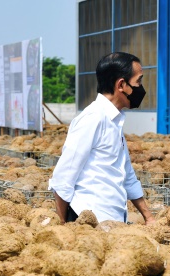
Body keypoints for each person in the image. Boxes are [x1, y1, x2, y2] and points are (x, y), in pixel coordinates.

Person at [49, 52, 154, 225]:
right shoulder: (92, 118)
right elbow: (64, 176)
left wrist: (149, 218)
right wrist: (61, 225)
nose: (140, 88)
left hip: (113, 221)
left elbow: (127, 175)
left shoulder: (115, 120)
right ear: (121, 84)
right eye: (138, 81)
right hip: (88, 221)